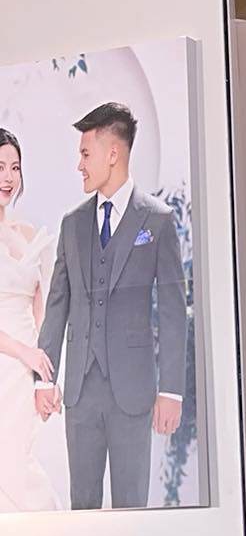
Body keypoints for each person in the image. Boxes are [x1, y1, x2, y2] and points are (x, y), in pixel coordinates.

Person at [35, 102, 187, 510]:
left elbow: (173, 311)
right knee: (82, 508)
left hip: (133, 394)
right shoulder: (72, 224)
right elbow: (57, 303)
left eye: (85, 154)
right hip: (80, 395)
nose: (79, 165)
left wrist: (171, 390)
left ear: (113, 154)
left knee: (132, 509)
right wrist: (43, 379)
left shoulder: (158, 220)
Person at [0, 128, 61, 512]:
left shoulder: (27, 233)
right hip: (8, 358)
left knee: (23, 454)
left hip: (28, 370)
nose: (8, 177)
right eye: (0, 167)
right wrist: (23, 352)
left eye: (15, 167)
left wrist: (45, 376)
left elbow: (42, 309)